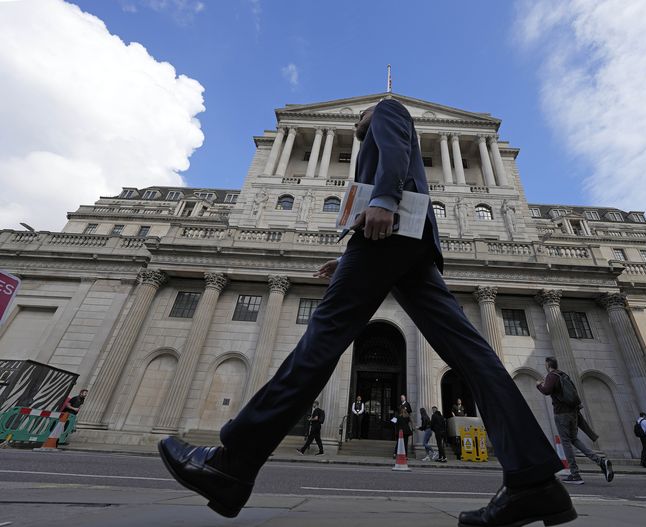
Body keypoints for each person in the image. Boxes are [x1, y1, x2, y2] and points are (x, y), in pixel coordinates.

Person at [158, 98, 576, 526]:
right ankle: (534, 482)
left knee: (321, 341)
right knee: (473, 355)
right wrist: (352, 257)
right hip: (406, 242)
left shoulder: (388, 111)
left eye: (358, 114)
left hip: (388, 234)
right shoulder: (376, 142)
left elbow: (394, 158)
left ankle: (232, 462)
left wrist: (385, 200)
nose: (355, 118)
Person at [537, 357, 614, 485]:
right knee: (574, 440)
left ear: (548, 365)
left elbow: (546, 391)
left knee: (566, 442)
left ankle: (575, 474)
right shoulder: (564, 375)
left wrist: (539, 385)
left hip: (562, 414)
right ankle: (600, 461)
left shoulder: (552, 375)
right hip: (573, 413)